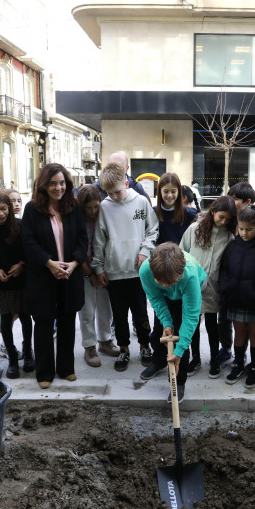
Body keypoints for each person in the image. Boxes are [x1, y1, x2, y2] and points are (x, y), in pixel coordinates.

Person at [21, 163, 88, 389]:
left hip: (69, 275)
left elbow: (82, 239)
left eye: (61, 183)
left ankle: (66, 368)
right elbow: (28, 242)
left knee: (68, 323)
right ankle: (44, 372)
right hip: (43, 277)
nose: (58, 188)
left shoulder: (74, 207)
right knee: (43, 325)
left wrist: (74, 263)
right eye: (53, 183)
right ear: (44, 185)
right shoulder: (32, 209)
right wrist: (49, 263)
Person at [91, 162, 158, 371]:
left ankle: (145, 346)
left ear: (127, 183)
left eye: (118, 192)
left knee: (140, 313)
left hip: (138, 272)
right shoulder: (104, 206)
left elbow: (153, 230)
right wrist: (99, 268)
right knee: (119, 316)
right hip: (114, 272)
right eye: (110, 193)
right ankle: (124, 349)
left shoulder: (141, 202)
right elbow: (99, 240)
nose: (115, 197)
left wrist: (145, 251)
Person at [141, 173, 198, 381]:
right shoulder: (155, 213)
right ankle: (158, 361)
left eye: (174, 191)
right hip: (160, 272)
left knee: (183, 328)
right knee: (160, 327)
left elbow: (193, 242)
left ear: (180, 193)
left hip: (179, 272)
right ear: (159, 193)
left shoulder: (189, 214)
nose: (170, 195)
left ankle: (179, 378)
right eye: (166, 191)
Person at [139, 243, 207, 402]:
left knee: (180, 339)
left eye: (168, 283)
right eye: (160, 281)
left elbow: (191, 316)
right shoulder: (146, 270)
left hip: (186, 293)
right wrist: (167, 323)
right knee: (158, 333)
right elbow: (155, 298)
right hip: (164, 296)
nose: (164, 285)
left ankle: (179, 382)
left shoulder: (189, 276)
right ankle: (159, 362)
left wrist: (179, 350)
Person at [179, 196, 237, 378]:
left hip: (214, 287)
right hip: (192, 285)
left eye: (227, 219)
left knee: (213, 324)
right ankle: (195, 358)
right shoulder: (194, 229)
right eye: (220, 217)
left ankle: (213, 358)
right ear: (212, 211)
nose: (223, 221)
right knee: (193, 323)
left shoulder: (229, 236)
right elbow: (182, 253)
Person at [219, 206, 255, 389]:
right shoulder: (233, 246)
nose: (244, 233)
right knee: (239, 332)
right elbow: (224, 270)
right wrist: (227, 289)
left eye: (248, 229)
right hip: (236, 298)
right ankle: (239, 365)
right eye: (241, 229)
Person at [0, 188, 32, 379]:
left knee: (25, 316)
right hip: (1, 282)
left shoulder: (20, 225)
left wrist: (21, 265)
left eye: (4, 209)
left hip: (21, 278)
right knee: (6, 317)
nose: (1, 214)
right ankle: (11, 357)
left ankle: (28, 353)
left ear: (9, 207)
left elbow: (28, 251)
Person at [77, 185, 119, 367]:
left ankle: (105, 340)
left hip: (103, 268)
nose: (93, 211)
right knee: (86, 310)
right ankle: (89, 346)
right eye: (89, 207)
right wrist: (89, 273)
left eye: (96, 206)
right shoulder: (76, 222)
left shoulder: (104, 218)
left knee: (105, 307)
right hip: (83, 269)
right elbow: (76, 251)